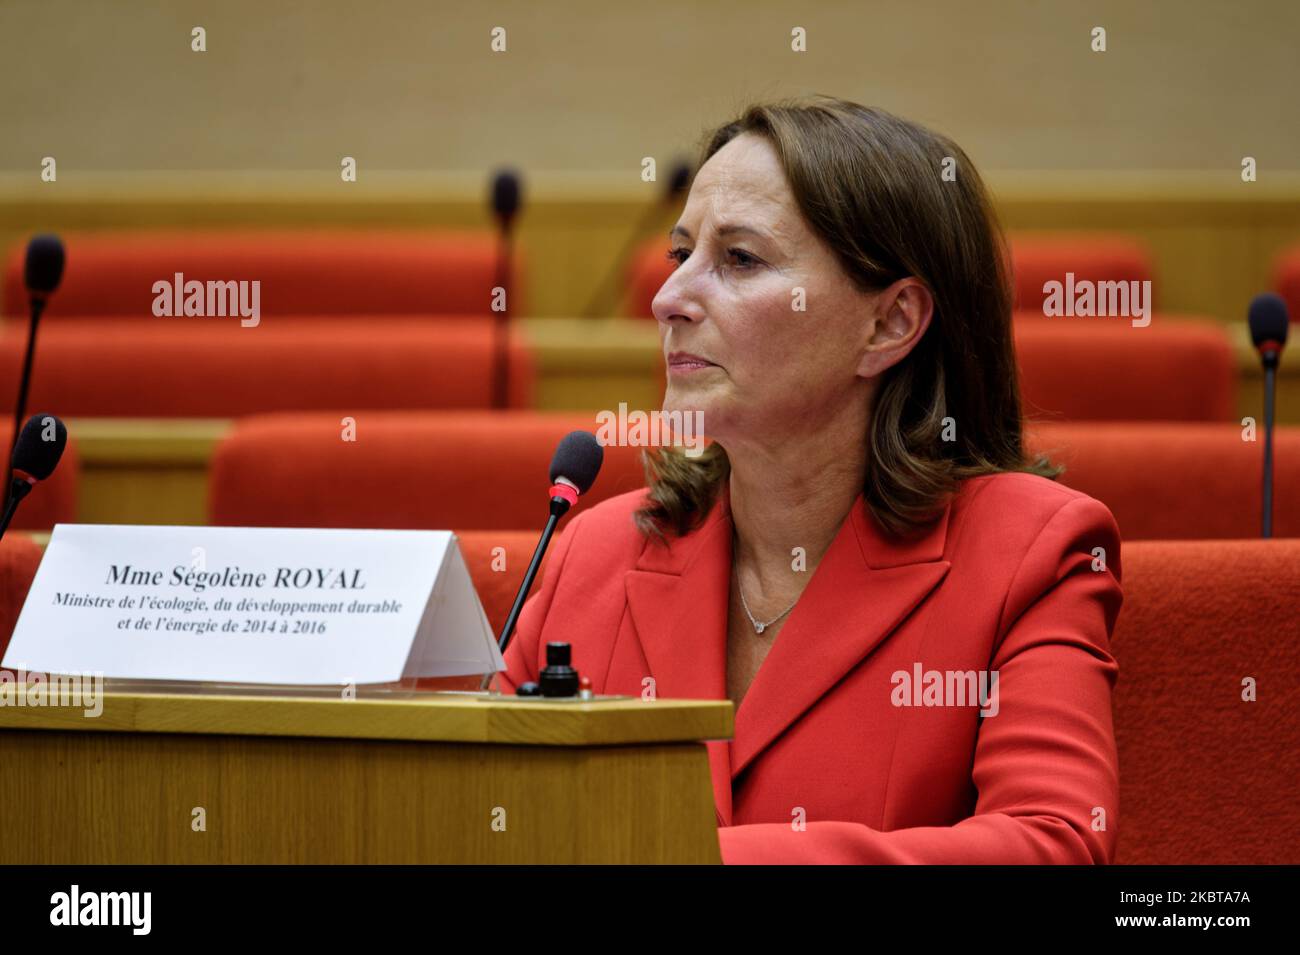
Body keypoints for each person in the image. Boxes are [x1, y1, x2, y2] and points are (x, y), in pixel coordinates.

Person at [497, 96, 1122, 864]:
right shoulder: (591, 551)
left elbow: (1050, 843)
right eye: (680, 253)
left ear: (889, 323)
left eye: (739, 260)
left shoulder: (1031, 553)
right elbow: (483, 819)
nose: (668, 300)